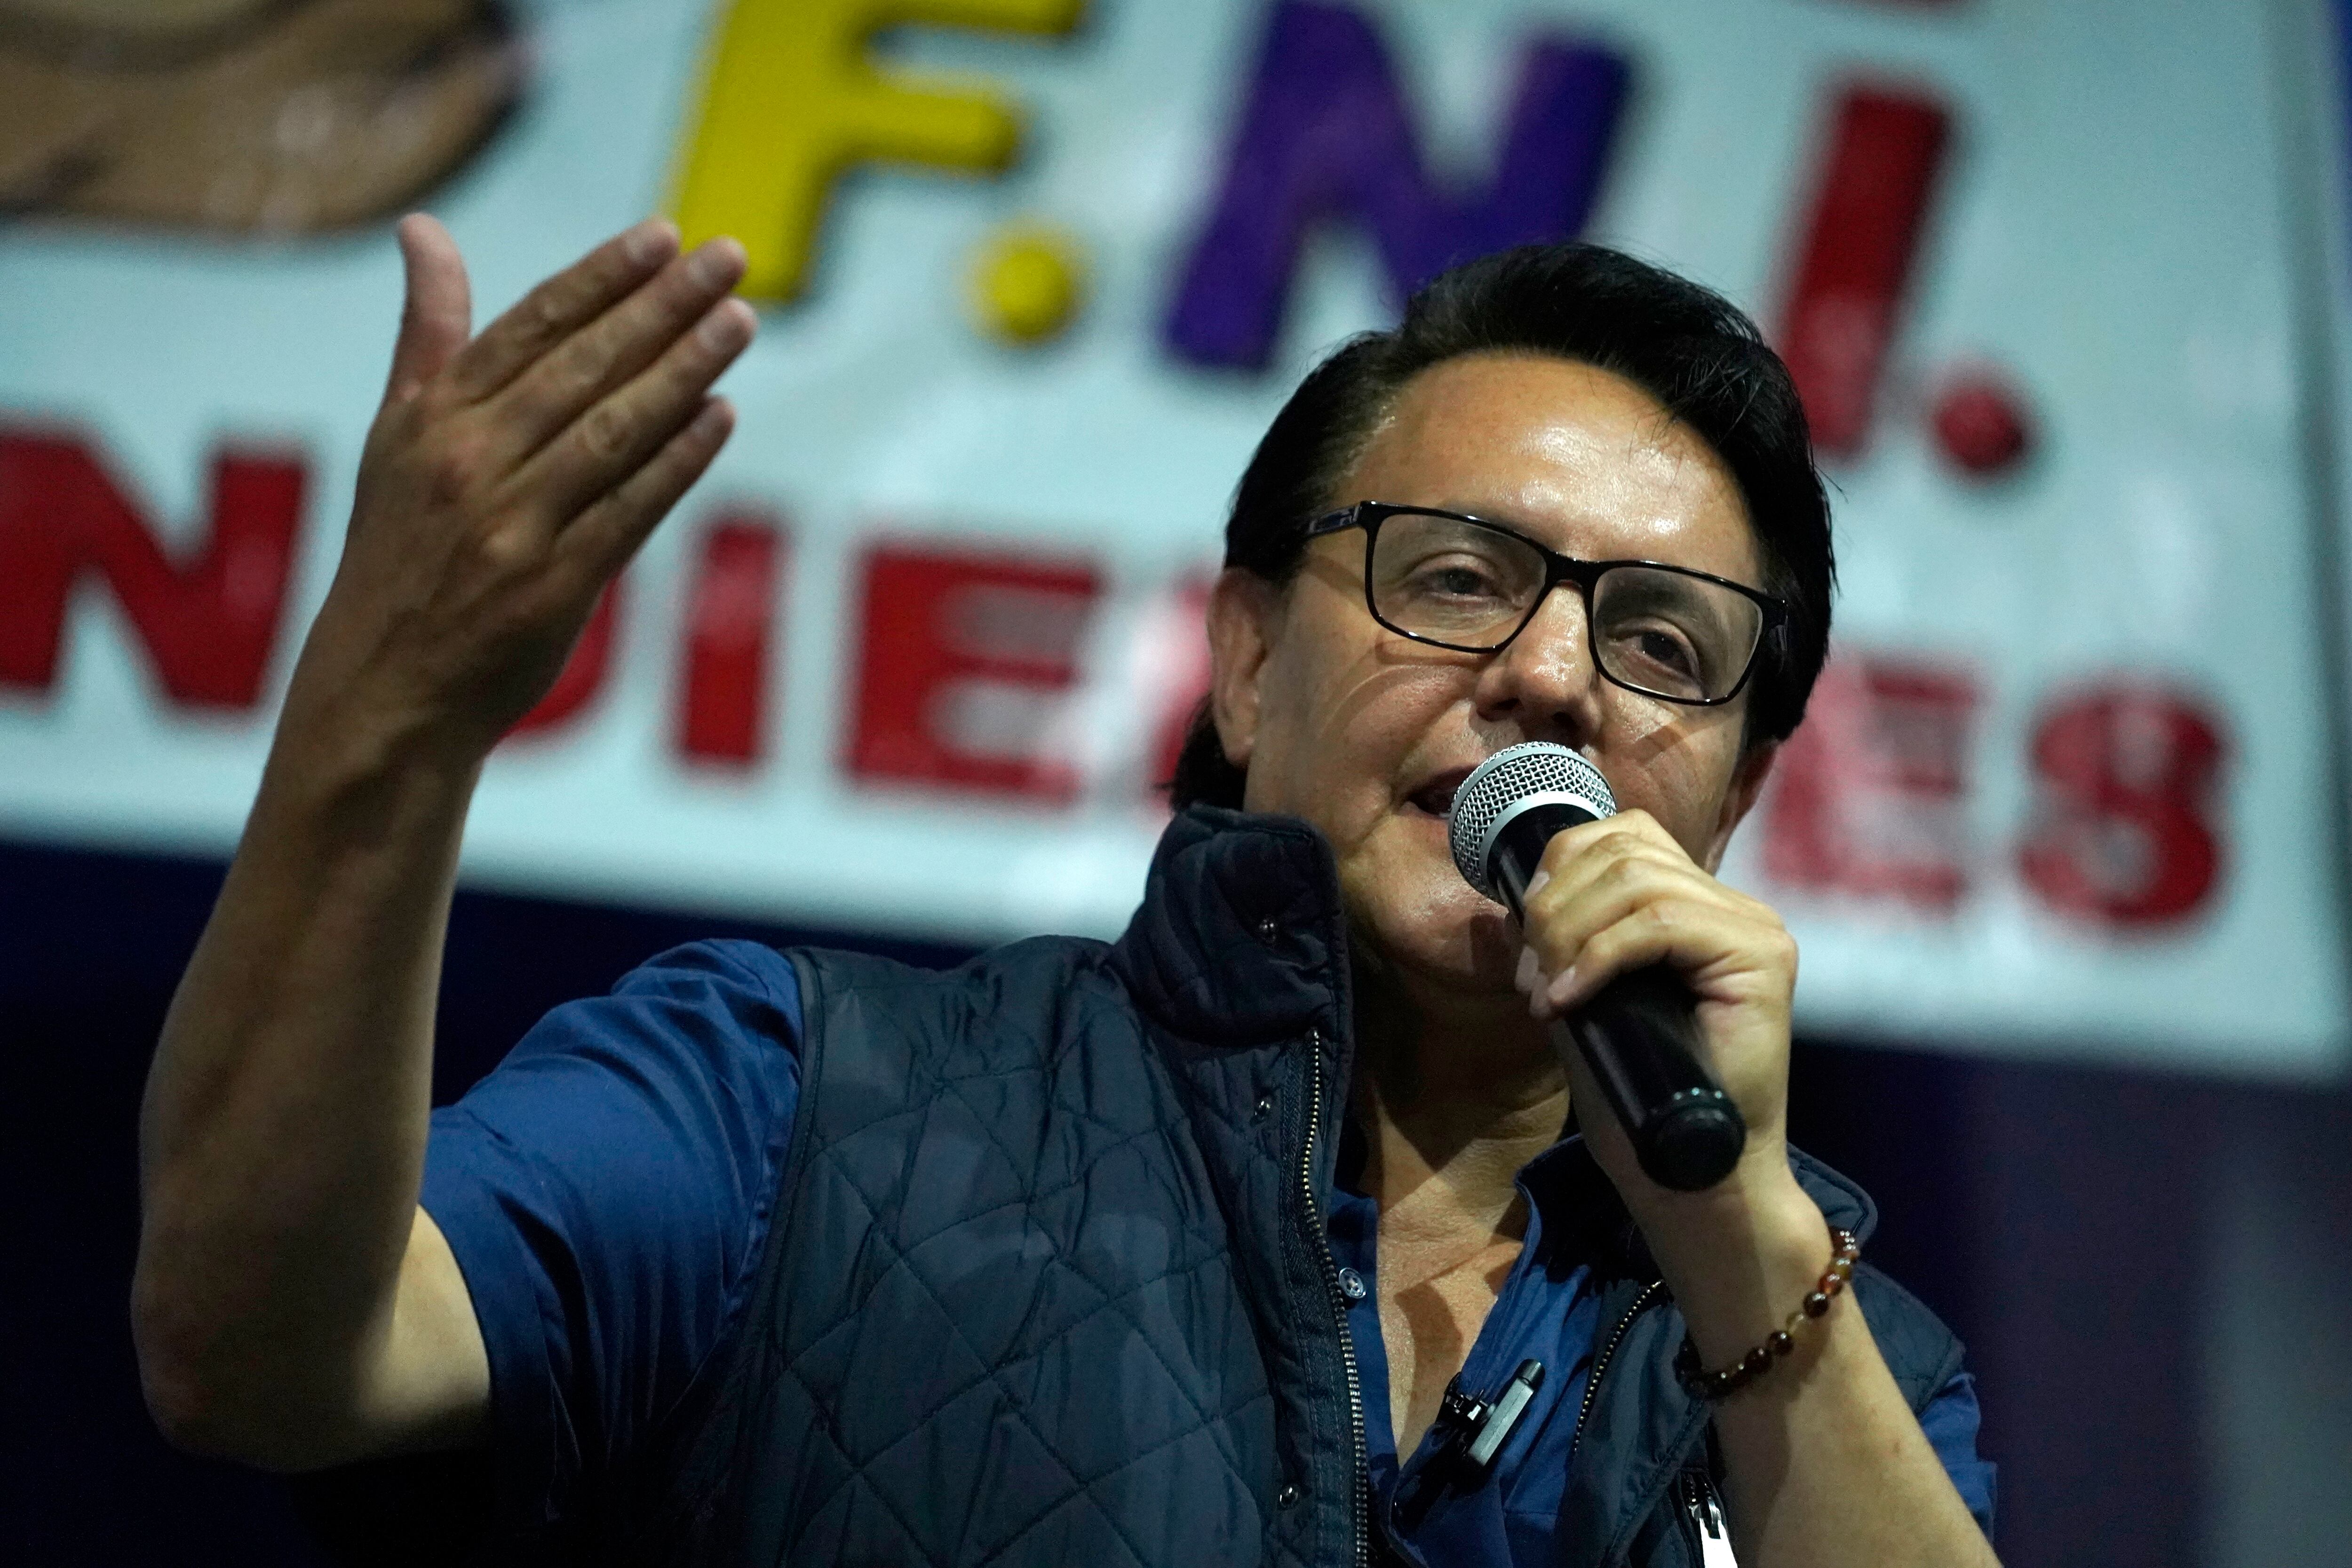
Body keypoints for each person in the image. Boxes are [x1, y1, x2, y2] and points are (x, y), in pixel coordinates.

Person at [131, 212, 2002, 1568]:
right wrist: (385, 730)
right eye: (1454, 575)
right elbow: (261, 1355)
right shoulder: (798, 1095)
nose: (1553, 676)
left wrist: (1737, 1237)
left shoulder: (1851, 1361)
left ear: (1738, 790)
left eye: (1662, 642)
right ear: (1247, 661)